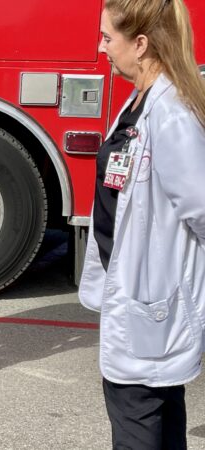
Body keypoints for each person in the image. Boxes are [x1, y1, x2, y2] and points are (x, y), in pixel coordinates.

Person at [79, 0, 205, 448]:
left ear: (141, 44)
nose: (100, 48)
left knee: (138, 427)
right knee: (163, 423)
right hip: (140, 301)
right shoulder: (140, 102)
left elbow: (202, 208)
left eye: (107, 38)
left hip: (152, 304)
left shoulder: (169, 115)